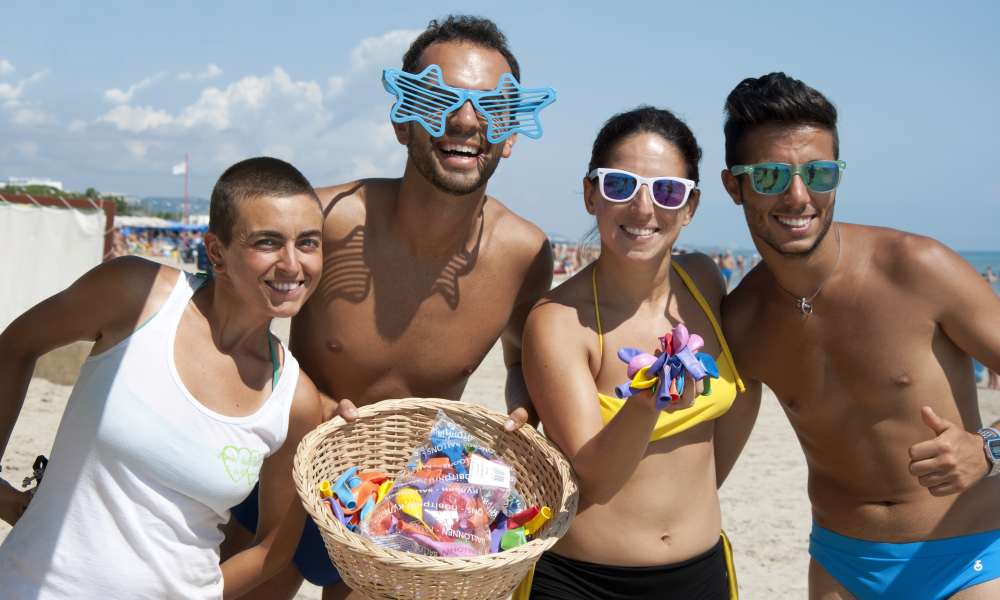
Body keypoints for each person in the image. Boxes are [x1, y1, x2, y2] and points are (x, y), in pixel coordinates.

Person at [222, 15, 554, 600]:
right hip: (282, 480)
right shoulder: (325, 219)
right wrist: (296, 400)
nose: (465, 121)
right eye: (438, 97)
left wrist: (523, 407)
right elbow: (222, 330)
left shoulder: (525, 254)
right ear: (402, 119)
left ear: (510, 133)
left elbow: (522, 359)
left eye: (492, 109)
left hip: (404, 508)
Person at [719, 73, 1000, 598]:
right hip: (841, 564)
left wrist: (988, 449)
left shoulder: (918, 268)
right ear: (734, 185)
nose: (799, 196)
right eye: (771, 177)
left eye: (819, 173)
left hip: (971, 557)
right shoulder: (742, 321)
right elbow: (706, 465)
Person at [0, 157, 324, 598]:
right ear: (216, 253)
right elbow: (15, 347)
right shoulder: (138, 296)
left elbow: (272, 548)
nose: (292, 264)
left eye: (308, 243)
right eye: (268, 243)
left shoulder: (295, 399)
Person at [520, 106, 761, 599]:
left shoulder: (705, 281)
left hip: (702, 572)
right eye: (620, 186)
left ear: (690, 206)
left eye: (667, 191)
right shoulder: (560, 322)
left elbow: (743, 395)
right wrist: (647, 402)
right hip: (583, 582)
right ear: (591, 195)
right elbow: (596, 478)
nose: (644, 210)